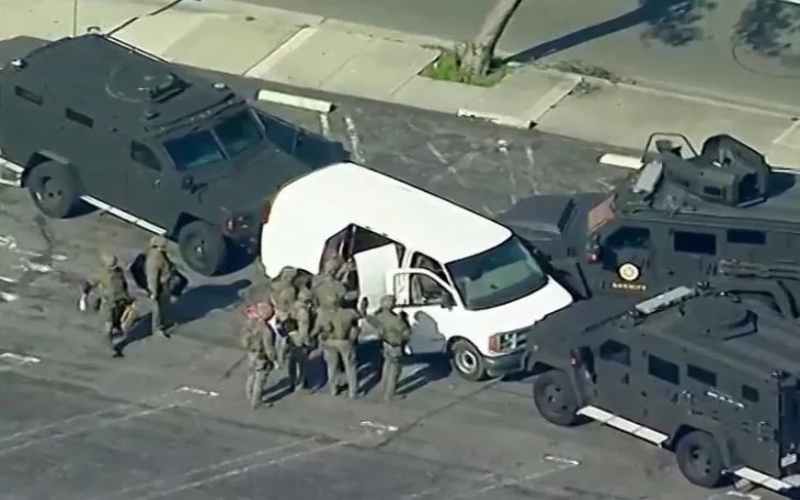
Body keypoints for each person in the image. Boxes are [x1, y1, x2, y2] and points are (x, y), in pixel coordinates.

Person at [81, 253, 135, 358]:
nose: (114, 267)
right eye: (112, 265)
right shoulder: (102, 274)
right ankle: (109, 348)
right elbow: (89, 284)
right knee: (108, 326)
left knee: (119, 321)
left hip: (120, 302)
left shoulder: (119, 272)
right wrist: (84, 297)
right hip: (108, 303)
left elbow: (124, 286)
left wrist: (128, 299)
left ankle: (116, 329)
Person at [312, 285, 360, 399]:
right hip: (345, 341)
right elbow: (359, 318)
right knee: (350, 366)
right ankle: (353, 391)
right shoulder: (349, 313)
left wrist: (311, 338)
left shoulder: (322, 315)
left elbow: (316, 330)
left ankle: (333, 389)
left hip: (329, 341)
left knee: (331, 366)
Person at [363, 295, 412, 401]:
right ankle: (390, 394)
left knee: (387, 366)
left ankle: (383, 387)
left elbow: (370, 320)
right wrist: (405, 321)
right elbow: (406, 334)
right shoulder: (396, 320)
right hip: (395, 345)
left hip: (386, 343)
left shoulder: (379, 316)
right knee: (395, 370)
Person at [241, 300, 277, 409]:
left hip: (251, 353)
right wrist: (274, 360)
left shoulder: (249, 323)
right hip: (261, 357)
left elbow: (244, 338)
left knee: (251, 374)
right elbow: (269, 348)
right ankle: (256, 401)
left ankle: (249, 393)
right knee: (260, 380)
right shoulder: (266, 331)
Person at [285, 287, 315, 393]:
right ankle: (301, 384)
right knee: (302, 364)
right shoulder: (304, 312)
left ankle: (292, 382)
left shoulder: (293, 306)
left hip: (291, 337)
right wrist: (307, 343)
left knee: (292, 362)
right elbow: (304, 329)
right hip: (299, 340)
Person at [145, 235, 174, 338]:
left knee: (164, 305)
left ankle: (164, 321)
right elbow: (152, 277)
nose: (165, 246)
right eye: (163, 245)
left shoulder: (160, 254)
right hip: (159, 287)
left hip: (164, 284)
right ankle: (157, 329)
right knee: (157, 310)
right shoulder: (154, 259)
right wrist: (154, 292)